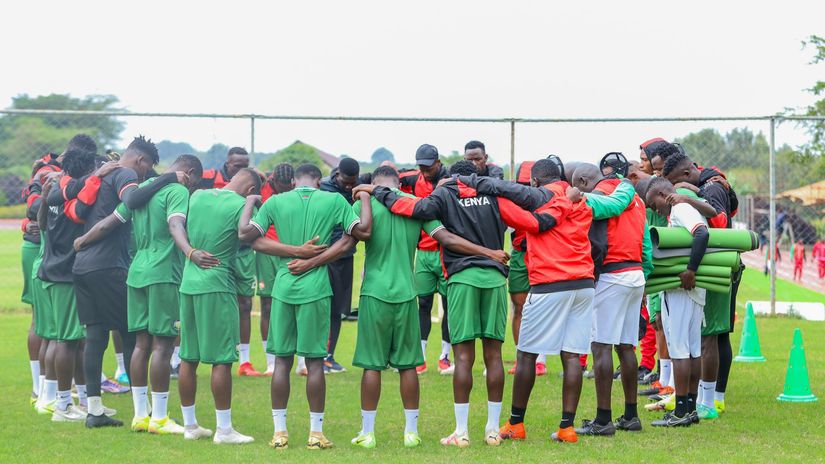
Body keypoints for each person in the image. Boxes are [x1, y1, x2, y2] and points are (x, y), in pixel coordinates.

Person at [363, 160, 564, 448]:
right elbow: (529, 222)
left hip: (462, 280)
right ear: (478, 177)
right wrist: (560, 211)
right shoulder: (495, 196)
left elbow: (414, 209)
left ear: (450, 177)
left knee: (464, 358)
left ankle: (462, 432)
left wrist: (377, 191)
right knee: (494, 356)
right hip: (495, 280)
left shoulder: (444, 195)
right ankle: (493, 430)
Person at [317, 166, 505, 449]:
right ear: (397, 184)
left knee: (372, 365)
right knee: (408, 366)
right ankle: (411, 432)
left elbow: (347, 243)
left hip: (374, 294)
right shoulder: (413, 206)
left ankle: (368, 433)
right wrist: (488, 252)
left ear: (373, 184)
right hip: (407, 294)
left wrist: (310, 260)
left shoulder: (362, 203)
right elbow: (446, 238)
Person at [456, 159, 638, 443]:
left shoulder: (540, 198)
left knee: (527, 353)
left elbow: (515, 206)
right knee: (572, 355)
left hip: (550, 283)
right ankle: (566, 428)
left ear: (536, 183)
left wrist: (476, 185)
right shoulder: (583, 199)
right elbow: (611, 208)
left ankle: (516, 424)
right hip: (584, 284)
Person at [238, 163, 373, 450]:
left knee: (282, 363)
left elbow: (249, 236)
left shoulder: (275, 201)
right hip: (316, 288)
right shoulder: (334, 199)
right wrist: (363, 198)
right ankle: (315, 433)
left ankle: (279, 433)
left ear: (294, 181)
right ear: (318, 180)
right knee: (314, 363)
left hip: (284, 286)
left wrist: (251, 204)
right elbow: (359, 233)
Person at [74, 155, 206, 434]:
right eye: (194, 184)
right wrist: (190, 252)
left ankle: (139, 415)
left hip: (136, 273)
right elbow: (175, 225)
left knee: (141, 344)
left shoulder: (141, 191)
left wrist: (82, 241)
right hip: (163, 274)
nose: (192, 190)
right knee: (163, 345)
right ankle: (158, 417)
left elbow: (109, 223)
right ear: (190, 173)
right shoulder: (177, 190)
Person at [174, 168, 264, 444]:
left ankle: (190, 426)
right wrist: (251, 204)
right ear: (250, 190)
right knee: (222, 360)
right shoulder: (241, 205)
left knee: (188, 358)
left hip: (188, 283)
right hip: (218, 285)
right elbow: (246, 235)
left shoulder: (197, 195)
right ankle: (224, 430)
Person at [568, 164, 650, 436]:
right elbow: (646, 246)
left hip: (612, 275)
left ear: (584, 181)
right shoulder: (637, 200)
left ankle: (603, 420)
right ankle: (631, 415)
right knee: (626, 347)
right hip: (635, 273)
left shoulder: (599, 196)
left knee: (600, 345)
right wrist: (644, 276)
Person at [664, 152, 739, 419]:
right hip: (713, 267)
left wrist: (687, 197)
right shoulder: (705, 186)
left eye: (674, 183)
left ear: (686, 175)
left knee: (710, 335)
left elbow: (718, 222)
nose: (672, 190)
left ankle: (709, 401)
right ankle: (705, 401)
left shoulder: (711, 187)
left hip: (715, 267)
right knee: (707, 337)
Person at [38, 148, 98, 422]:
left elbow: (41, 223)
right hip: (63, 275)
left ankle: (83, 401)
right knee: (67, 341)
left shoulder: (54, 192)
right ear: (86, 170)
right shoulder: (71, 195)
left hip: (54, 271)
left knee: (74, 340)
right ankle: (62, 406)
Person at [646, 177, 708, 427]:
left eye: (654, 204)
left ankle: (681, 410)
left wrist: (690, 269)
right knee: (692, 349)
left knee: (681, 349)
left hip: (683, 289)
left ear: (663, 194)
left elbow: (701, 234)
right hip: (692, 290)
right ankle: (690, 408)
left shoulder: (681, 209)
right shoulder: (681, 211)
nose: (654, 210)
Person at [399, 144, 454, 375]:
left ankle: (444, 356)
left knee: (449, 304)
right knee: (422, 304)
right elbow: (385, 177)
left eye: (428, 165)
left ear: (438, 163)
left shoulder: (451, 178)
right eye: (421, 165)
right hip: (423, 252)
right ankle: (419, 357)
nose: (425, 169)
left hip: (445, 253)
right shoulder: (412, 179)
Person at [506, 162, 548, 377]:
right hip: (519, 254)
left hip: (542, 252)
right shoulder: (511, 200)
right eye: (521, 185)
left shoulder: (548, 198)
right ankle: (521, 357)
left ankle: (541, 359)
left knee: (544, 306)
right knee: (519, 306)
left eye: (528, 185)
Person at [319, 157, 362, 373]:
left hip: (345, 256)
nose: (349, 186)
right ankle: (317, 356)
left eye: (352, 182)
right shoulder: (323, 187)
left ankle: (329, 357)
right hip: (323, 254)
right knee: (321, 306)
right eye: (346, 181)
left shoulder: (359, 186)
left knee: (337, 309)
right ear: (337, 175)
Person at [257, 163, 296, 375]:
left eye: (288, 185)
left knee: (296, 302)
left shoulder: (294, 189)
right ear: (274, 181)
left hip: (291, 249)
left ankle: (301, 362)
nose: (285, 189)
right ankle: (270, 361)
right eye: (281, 185)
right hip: (267, 252)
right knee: (267, 305)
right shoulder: (262, 186)